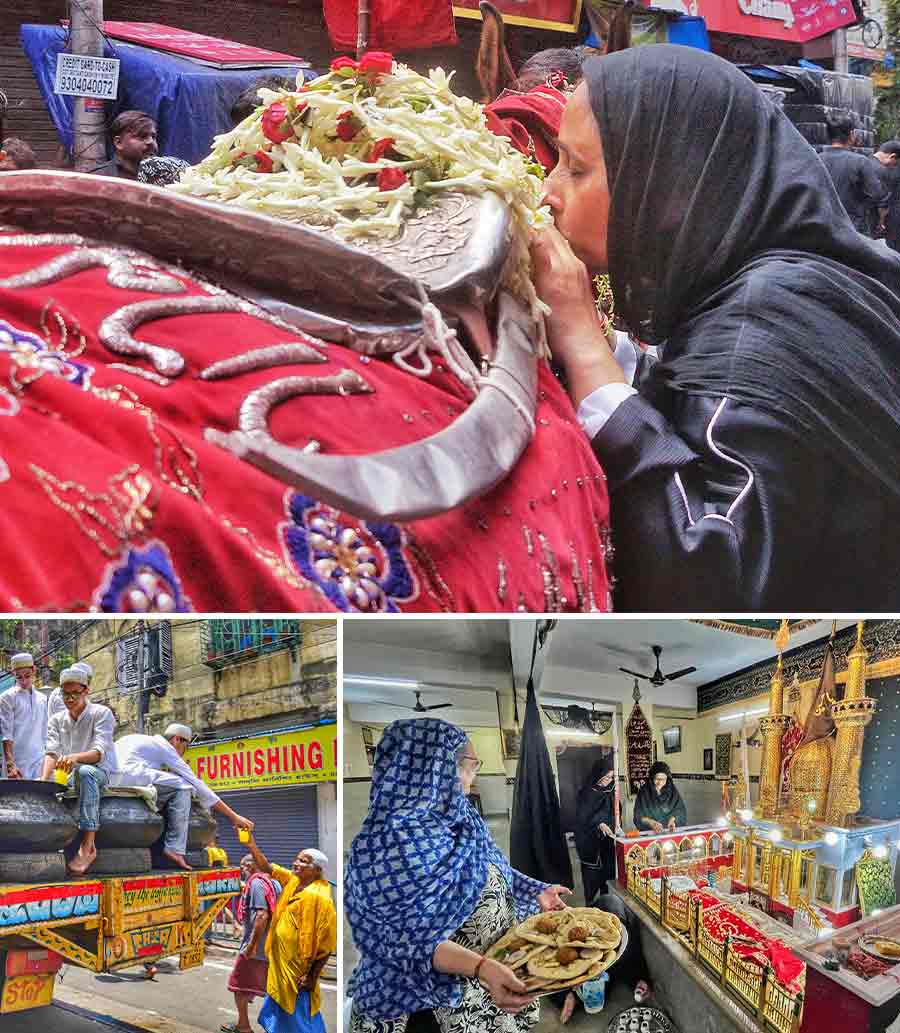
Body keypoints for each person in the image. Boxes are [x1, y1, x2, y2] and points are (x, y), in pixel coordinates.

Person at [531, 45, 900, 610]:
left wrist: (584, 347)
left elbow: (706, 568)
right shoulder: (778, 280)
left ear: (671, 184)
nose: (548, 192)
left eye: (577, 168)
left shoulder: (766, 322)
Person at [346, 718, 572, 1033]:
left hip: (485, 994)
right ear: (435, 770)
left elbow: (491, 866)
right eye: (470, 765)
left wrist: (536, 890)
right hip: (427, 1011)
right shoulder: (385, 848)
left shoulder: (463, 820)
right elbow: (404, 942)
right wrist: (480, 967)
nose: (473, 776)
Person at [115, 723, 254, 870]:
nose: (183, 753)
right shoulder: (165, 747)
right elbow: (197, 784)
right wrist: (234, 816)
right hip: (131, 776)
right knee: (184, 786)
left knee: (167, 787)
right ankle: (174, 847)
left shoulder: (136, 740)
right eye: (185, 747)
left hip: (111, 780)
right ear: (177, 740)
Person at [243, 836, 336, 1033]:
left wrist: (311, 976)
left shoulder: (320, 898)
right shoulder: (294, 881)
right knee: (282, 1012)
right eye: (297, 859)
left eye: (304, 861)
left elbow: (326, 945)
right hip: (280, 966)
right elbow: (267, 867)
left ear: (317, 870)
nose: (296, 863)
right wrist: (251, 844)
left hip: (298, 972)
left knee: (301, 1016)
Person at [41, 665, 118, 875]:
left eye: (75, 693)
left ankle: (88, 847)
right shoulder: (56, 720)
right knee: (46, 786)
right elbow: (51, 753)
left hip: (99, 773)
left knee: (85, 772)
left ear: (86, 691)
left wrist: (74, 758)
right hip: (68, 774)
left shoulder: (101, 714)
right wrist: (42, 782)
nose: (70, 698)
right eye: (66, 693)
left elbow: (98, 752)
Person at [221, 852, 281, 1033]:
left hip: (256, 947)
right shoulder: (274, 882)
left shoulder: (255, 883)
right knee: (269, 990)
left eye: (242, 868)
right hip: (272, 946)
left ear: (249, 866)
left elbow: (261, 915)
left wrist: (252, 945)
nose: (241, 871)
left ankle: (243, 1026)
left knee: (238, 986)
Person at [817, 112, 889, 235]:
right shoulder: (860, 162)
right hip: (853, 228)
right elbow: (877, 193)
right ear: (852, 135)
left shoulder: (816, 159)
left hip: (824, 225)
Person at [574, 755, 619, 905]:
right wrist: (598, 823)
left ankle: (607, 904)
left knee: (608, 877)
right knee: (592, 878)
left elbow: (616, 812)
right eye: (606, 777)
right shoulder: (586, 793)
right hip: (591, 843)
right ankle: (590, 905)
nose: (608, 780)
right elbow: (581, 819)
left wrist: (610, 823)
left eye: (611, 777)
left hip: (607, 842)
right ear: (598, 774)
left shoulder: (612, 790)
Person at [0, 652, 49, 779]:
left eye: (27, 675)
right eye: (19, 677)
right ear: (13, 675)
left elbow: (45, 733)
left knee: (40, 797)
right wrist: (11, 765)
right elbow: (7, 734)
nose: (24, 681)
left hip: (39, 761)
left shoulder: (42, 698)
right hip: (17, 762)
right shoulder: (7, 697)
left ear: (34, 670)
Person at [92, 111, 158, 179]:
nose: (151, 142)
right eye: (142, 136)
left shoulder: (163, 176)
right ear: (118, 142)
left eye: (153, 137)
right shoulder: (99, 178)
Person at [633, 762, 686, 834]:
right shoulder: (644, 792)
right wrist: (650, 822)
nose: (660, 782)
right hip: (650, 833)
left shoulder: (672, 790)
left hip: (669, 832)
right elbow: (637, 816)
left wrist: (673, 820)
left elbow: (681, 811)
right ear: (652, 778)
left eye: (663, 779)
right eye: (657, 779)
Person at [875, 140, 900, 249]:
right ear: (892, 156)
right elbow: (884, 200)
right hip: (889, 217)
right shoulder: (885, 170)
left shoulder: (864, 162)